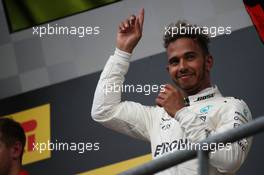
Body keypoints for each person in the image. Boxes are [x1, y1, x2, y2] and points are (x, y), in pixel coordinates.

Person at [91, 8, 252, 175]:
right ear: (169, 69)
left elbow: (230, 160)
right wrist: (122, 52)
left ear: (208, 62)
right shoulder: (156, 116)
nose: (182, 67)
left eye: (190, 57)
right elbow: (103, 111)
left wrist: (181, 112)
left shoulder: (232, 106)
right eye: (175, 61)